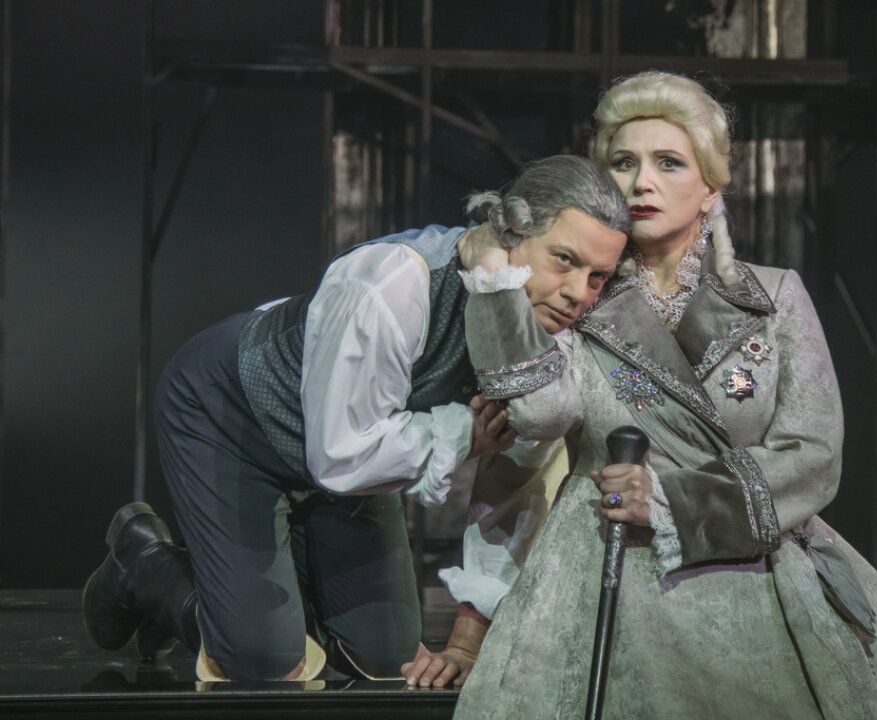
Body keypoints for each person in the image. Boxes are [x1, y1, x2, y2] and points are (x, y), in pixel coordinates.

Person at [417, 72, 877, 718]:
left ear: (710, 186)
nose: (642, 182)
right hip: (606, 575)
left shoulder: (773, 298)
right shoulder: (580, 295)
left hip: (757, 579)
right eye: (623, 163)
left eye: (668, 162)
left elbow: (814, 453)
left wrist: (672, 501)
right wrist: (495, 283)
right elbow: (538, 422)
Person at [81, 155, 629, 683]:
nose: (577, 294)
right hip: (234, 415)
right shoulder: (394, 283)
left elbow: (516, 487)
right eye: (564, 260)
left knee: (387, 657)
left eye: (598, 277)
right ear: (511, 232)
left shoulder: (546, 347)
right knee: (265, 661)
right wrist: (466, 432)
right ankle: (144, 564)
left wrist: (467, 643)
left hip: (348, 453)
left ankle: (254, 596)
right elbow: (341, 456)